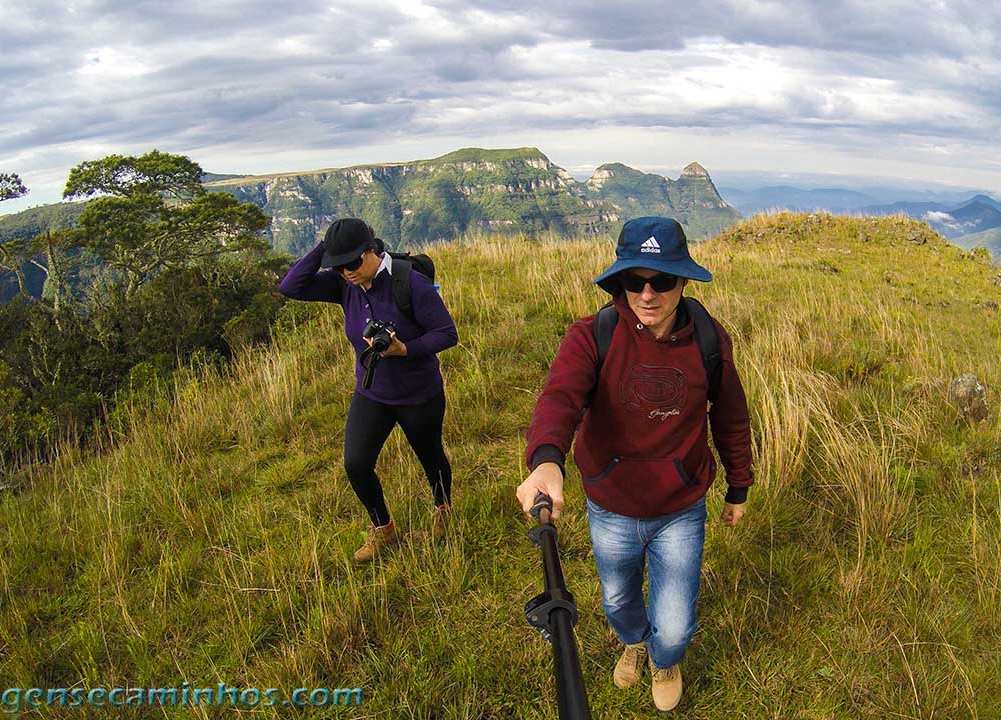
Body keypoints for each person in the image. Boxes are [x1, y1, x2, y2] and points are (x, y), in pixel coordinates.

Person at [515, 216, 753, 713]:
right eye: (634, 281)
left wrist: (738, 487)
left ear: (683, 280)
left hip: (681, 508)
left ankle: (664, 659)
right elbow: (559, 398)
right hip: (612, 506)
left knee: (677, 624)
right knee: (618, 602)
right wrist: (546, 461)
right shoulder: (591, 336)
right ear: (620, 282)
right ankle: (633, 642)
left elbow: (731, 415)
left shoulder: (710, 340)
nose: (648, 295)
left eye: (662, 280)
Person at [279, 218, 458, 562]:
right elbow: (290, 287)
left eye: (352, 262)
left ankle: (443, 509)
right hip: (372, 392)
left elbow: (447, 334)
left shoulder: (410, 283)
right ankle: (384, 530)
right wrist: (326, 246)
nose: (346, 271)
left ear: (372, 250)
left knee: (430, 456)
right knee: (356, 464)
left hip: (418, 393)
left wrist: (404, 349)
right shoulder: (343, 284)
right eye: (338, 265)